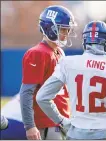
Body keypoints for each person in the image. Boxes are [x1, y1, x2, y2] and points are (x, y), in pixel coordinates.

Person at [36, 20, 106, 140]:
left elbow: (42, 97)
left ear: (85, 41)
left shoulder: (67, 63)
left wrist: (62, 121)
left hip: (76, 133)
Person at [19, 5, 77, 140]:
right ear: (50, 28)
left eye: (67, 30)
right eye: (63, 29)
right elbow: (26, 92)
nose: (66, 34)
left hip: (62, 120)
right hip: (46, 123)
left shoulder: (59, 51)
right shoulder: (37, 53)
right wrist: (30, 125)